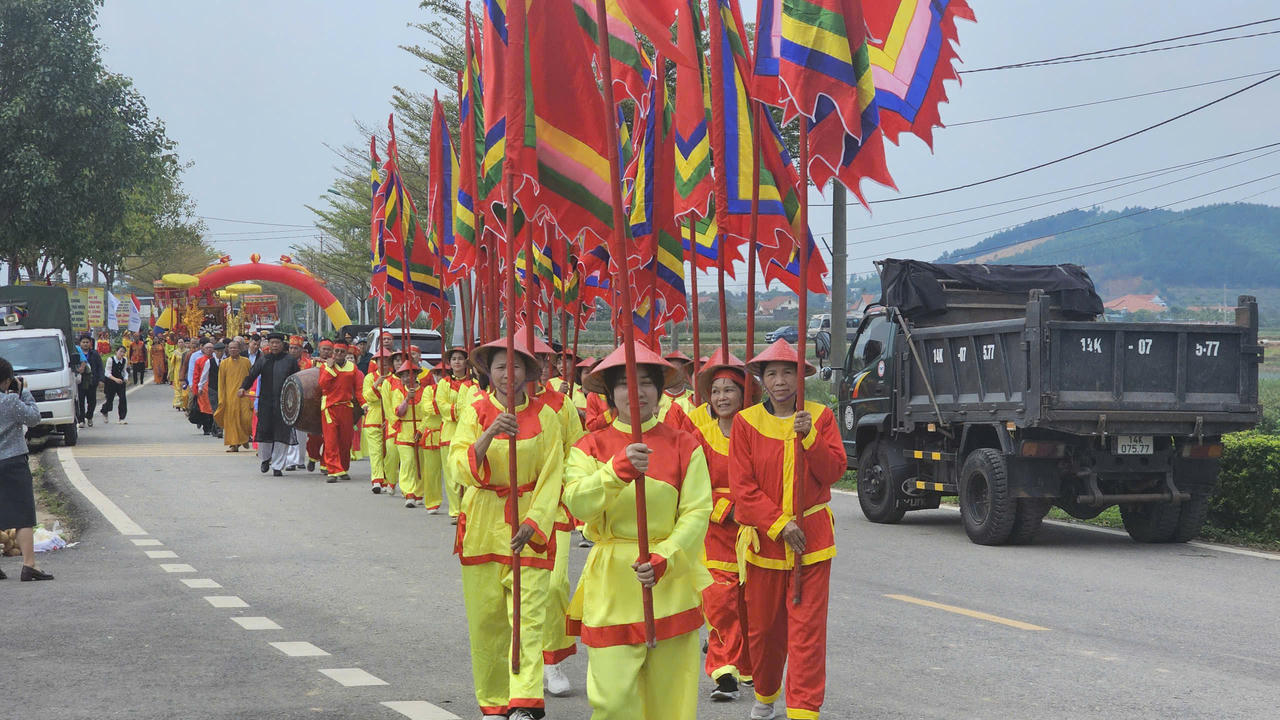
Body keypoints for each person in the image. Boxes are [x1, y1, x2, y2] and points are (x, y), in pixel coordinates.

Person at [562, 343, 712, 720]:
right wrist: (616, 471)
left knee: (671, 703)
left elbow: (697, 512)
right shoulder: (589, 445)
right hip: (612, 583)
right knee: (612, 701)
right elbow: (577, 502)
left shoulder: (684, 445)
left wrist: (666, 557)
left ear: (658, 391)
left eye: (646, 382)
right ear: (611, 393)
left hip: (670, 583)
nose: (637, 391)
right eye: (625, 383)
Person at [448, 336, 563, 720]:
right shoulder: (475, 410)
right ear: (489, 371)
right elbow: (457, 467)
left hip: (526, 526)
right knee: (487, 621)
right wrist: (489, 433)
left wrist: (535, 521)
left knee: (528, 617)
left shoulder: (546, 416)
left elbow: (553, 474)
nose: (506, 373)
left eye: (514, 366)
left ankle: (526, 700)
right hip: (482, 522)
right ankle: (495, 701)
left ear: (525, 373)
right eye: (499, 365)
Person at [729, 340, 845, 720]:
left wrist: (809, 437)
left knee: (807, 633)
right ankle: (765, 694)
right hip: (765, 540)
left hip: (811, 540)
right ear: (761, 380)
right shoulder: (746, 423)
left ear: (801, 376)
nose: (780, 381)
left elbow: (833, 473)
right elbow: (743, 488)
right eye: (772, 373)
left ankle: (803, 710)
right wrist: (779, 525)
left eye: (788, 372)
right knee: (764, 632)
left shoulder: (820, 416)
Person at [688, 348, 756, 701]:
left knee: (749, 606)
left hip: (755, 532)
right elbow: (694, 486)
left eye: (729, 390)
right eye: (716, 391)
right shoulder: (700, 435)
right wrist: (725, 506)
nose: (722, 397)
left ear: (744, 395)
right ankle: (723, 671)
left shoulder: (758, 433)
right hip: (715, 532)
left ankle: (746, 666)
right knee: (720, 603)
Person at [0, 359, 53, 581]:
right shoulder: (11, 401)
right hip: (12, 461)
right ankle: (29, 565)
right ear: (7, 379)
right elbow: (34, 418)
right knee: (23, 514)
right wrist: (25, 392)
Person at [240, 333, 302, 477]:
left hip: (284, 404)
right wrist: (243, 387)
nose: (274, 345)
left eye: (277, 343)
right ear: (269, 344)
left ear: (282, 344)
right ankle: (265, 459)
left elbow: (297, 380)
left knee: (282, 434)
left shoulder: (290, 361)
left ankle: (278, 466)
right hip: (266, 402)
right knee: (264, 432)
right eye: (272, 343)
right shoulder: (263, 360)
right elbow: (252, 375)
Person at [389, 358, 438, 508]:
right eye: (403, 375)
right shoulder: (398, 391)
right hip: (404, 431)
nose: (406, 378)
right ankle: (408, 492)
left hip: (420, 431)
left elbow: (428, 414)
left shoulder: (425, 391)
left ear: (416, 375)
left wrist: (421, 430)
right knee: (408, 462)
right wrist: (407, 399)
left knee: (420, 464)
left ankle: (419, 492)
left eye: (409, 374)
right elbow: (398, 412)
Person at [434, 347, 476, 519]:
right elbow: (441, 404)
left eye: (460, 358)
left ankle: (467, 508)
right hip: (449, 432)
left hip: (468, 431)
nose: (457, 361)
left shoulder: (474, 383)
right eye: (454, 359)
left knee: (467, 471)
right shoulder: (444, 383)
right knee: (451, 473)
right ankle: (455, 510)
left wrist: (465, 413)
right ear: (449, 363)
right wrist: (459, 411)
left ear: (466, 362)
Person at [318, 342, 364, 483]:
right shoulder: (326, 366)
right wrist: (330, 369)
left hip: (346, 408)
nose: (338, 354)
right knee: (331, 440)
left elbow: (358, 389)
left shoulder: (352, 368)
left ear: (346, 353)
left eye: (341, 352)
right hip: (330, 408)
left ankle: (343, 468)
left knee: (345, 441)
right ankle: (332, 471)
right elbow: (323, 385)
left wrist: (364, 404)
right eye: (336, 351)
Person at [214, 339, 253, 452]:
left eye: (235, 348)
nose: (233, 350)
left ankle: (244, 438)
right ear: (228, 349)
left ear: (240, 349)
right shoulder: (224, 364)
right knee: (232, 420)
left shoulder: (246, 362)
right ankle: (234, 444)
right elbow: (221, 382)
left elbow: (250, 378)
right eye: (230, 348)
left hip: (244, 395)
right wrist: (222, 398)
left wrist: (251, 394)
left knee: (246, 418)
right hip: (230, 396)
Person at [75, 335, 103, 428]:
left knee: (92, 401)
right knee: (81, 401)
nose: (85, 344)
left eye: (87, 342)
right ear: (80, 343)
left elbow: (100, 367)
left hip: (92, 381)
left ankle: (89, 416)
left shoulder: (95, 354)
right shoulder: (76, 353)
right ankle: (81, 420)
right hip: (80, 382)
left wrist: (101, 380)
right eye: (83, 342)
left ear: (90, 343)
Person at [189, 342, 216, 436]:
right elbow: (196, 376)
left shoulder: (216, 360)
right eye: (207, 348)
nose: (209, 350)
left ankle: (214, 427)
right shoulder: (199, 361)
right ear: (203, 349)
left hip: (213, 387)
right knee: (204, 409)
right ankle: (206, 427)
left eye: (211, 348)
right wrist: (195, 389)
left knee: (214, 408)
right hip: (203, 389)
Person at [100, 346, 130, 424]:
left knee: (123, 399)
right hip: (110, 382)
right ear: (116, 352)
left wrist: (126, 378)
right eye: (120, 351)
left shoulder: (124, 360)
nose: (122, 354)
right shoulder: (111, 360)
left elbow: (124, 371)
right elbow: (107, 373)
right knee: (109, 400)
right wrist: (115, 379)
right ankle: (104, 411)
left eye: (123, 352)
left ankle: (122, 418)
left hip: (120, 381)